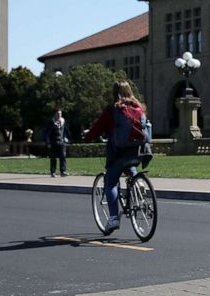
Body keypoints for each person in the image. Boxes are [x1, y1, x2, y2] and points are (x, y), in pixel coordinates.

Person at [83, 81, 152, 235]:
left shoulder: (113, 110)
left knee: (110, 182)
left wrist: (88, 136)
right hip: (138, 152)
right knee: (130, 165)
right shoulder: (138, 107)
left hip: (119, 153)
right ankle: (137, 183)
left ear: (115, 93)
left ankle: (114, 217)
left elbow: (98, 128)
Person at [43, 108, 71, 177]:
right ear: (55, 114)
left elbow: (65, 131)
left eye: (60, 114)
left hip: (61, 142)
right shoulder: (51, 122)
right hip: (53, 142)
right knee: (53, 158)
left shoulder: (63, 121)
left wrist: (67, 139)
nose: (59, 115)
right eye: (58, 114)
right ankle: (53, 172)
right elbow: (47, 133)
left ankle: (63, 171)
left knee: (63, 157)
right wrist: (48, 142)